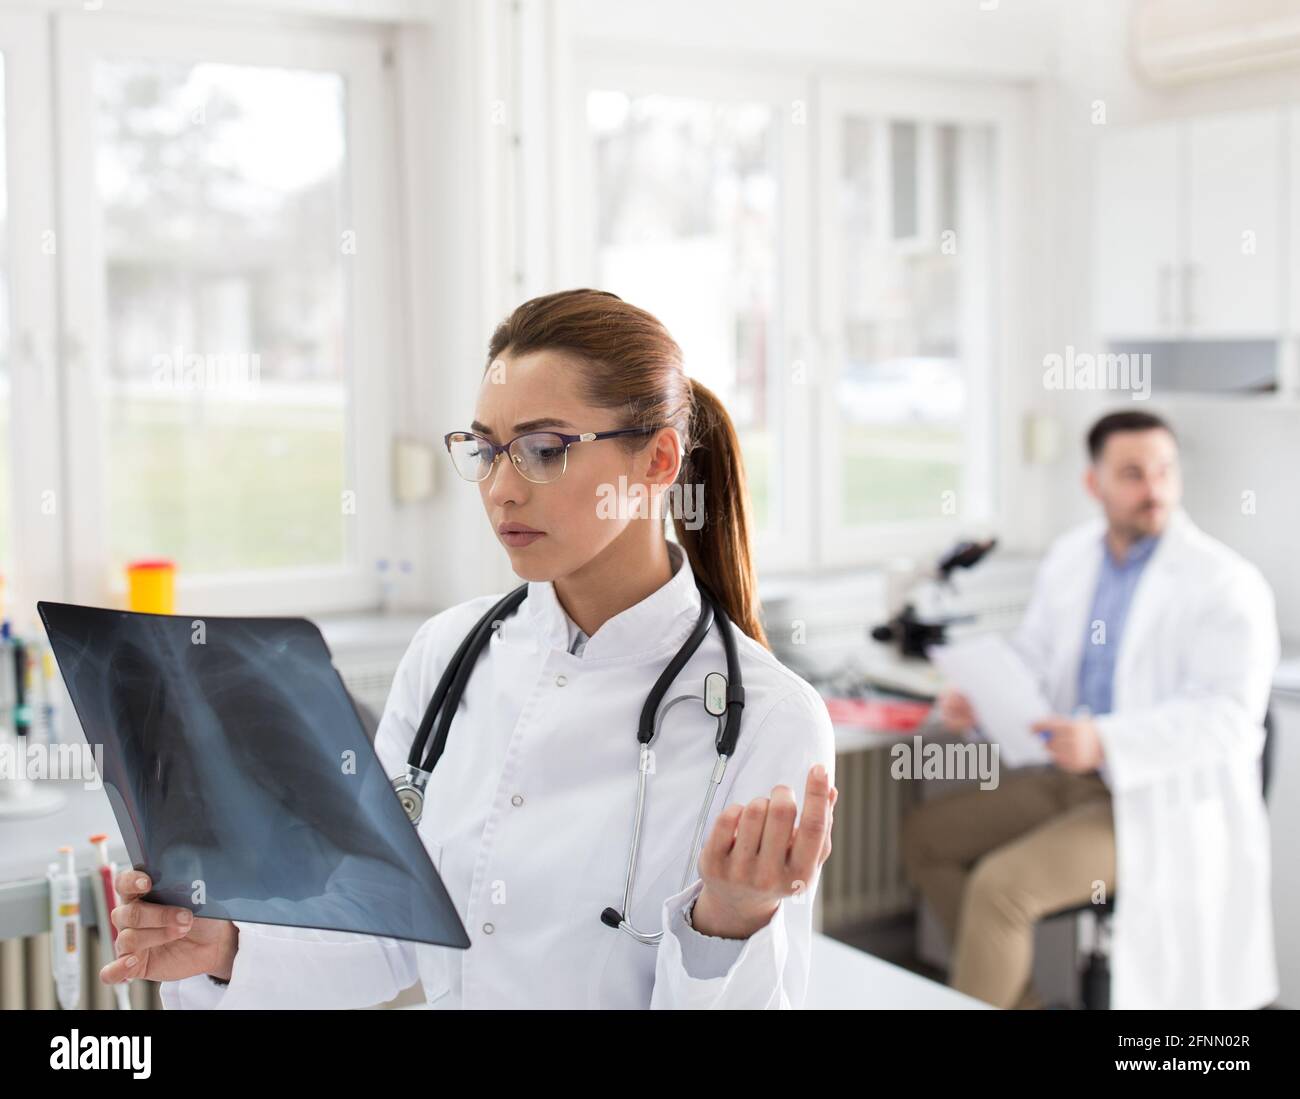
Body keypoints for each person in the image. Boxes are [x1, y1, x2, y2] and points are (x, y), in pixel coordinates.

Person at [99, 288, 838, 1009]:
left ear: (659, 460)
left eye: (544, 450)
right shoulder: (448, 653)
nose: (501, 490)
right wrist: (226, 948)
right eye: (486, 450)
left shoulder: (768, 721)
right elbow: (386, 927)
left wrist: (730, 921)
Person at [901, 410, 1278, 1010]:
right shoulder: (1073, 559)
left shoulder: (1226, 584)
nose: (1153, 489)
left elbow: (1229, 718)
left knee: (1001, 889)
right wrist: (979, 702)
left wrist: (1105, 740)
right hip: (1069, 778)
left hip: (1157, 802)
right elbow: (1035, 660)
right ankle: (1015, 1000)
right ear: (1093, 483)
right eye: (1131, 473)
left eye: (1163, 471)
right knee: (926, 838)